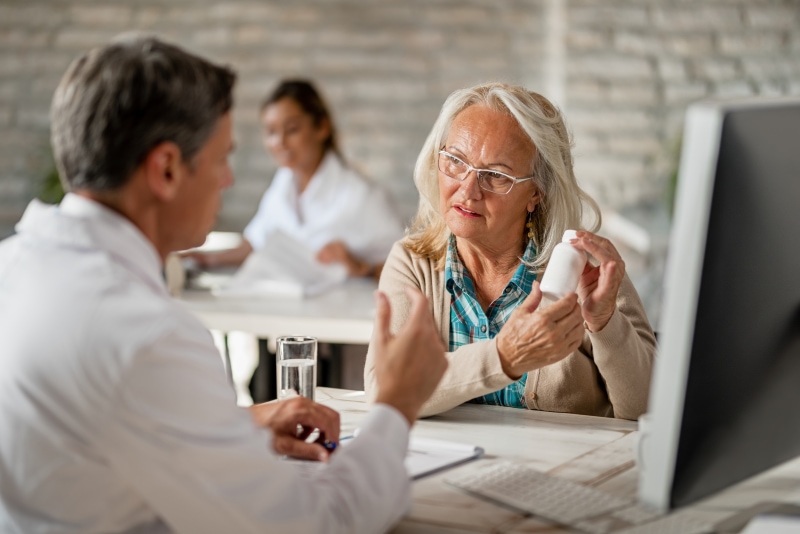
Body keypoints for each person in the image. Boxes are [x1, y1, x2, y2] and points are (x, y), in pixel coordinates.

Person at [0, 36, 448, 534]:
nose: (229, 180)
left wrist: (237, 426)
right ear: (167, 169)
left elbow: (97, 429)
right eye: (221, 159)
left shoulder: (11, 268)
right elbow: (318, 524)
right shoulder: (148, 336)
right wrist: (395, 406)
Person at [364, 83, 656, 421]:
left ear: (536, 193)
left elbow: (649, 414)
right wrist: (505, 356)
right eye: (456, 161)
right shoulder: (413, 262)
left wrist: (606, 323)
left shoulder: (589, 272)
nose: (469, 190)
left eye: (495, 176)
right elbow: (385, 392)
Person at [185, 79, 403, 279]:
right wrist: (202, 259)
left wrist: (362, 267)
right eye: (271, 132)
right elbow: (255, 243)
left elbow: (411, 269)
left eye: (292, 129)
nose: (280, 142)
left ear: (322, 128)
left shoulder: (362, 195)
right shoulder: (283, 184)